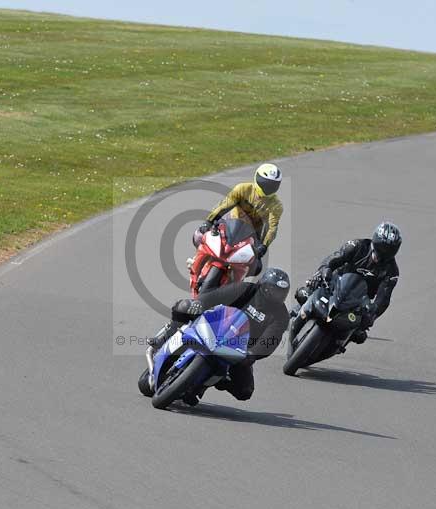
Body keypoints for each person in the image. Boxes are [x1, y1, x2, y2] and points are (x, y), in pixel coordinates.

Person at [146, 268, 291, 404]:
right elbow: (217, 296)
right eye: (275, 291)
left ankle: (210, 382)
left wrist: (253, 353)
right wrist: (200, 303)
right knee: (184, 306)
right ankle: (165, 336)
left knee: (244, 391)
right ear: (264, 287)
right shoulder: (246, 289)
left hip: (239, 349)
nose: (279, 296)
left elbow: (271, 339)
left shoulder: (282, 315)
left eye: (282, 292)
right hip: (214, 328)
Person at [288, 222, 401, 347]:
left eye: (389, 250)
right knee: (307, 292)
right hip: (337, 282)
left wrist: (372, 315)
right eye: (382, 247)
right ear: (375, 241)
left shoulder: (392, 271)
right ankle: (295, 312)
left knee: (360, 334)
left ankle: (339, 342)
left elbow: (383, 297)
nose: (384, 253)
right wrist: (325, 270)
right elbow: (335, 258)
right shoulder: (358, 245)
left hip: (360, 299)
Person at [197, 163, 284, 259]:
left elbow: (272, 228)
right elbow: (224, 206)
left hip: (251, 234)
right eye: (265, 183)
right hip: (230, 224)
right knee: (199, 236)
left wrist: (264, 246)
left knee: (257, 266)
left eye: (272, 185)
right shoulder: (242, 189)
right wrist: (208, 221)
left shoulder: (276, 205)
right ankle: (196, 260)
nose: (268, 188)